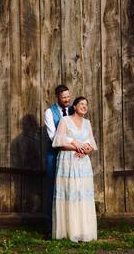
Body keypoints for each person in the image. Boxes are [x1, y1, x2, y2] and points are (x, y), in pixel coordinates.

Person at [52, 96, 97, 242]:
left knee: (82, 194)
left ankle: (84, 231)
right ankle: (69, 231)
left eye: (86, 105)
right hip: (68, 161)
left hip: (83, 163)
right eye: (81, 104)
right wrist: (75, 146)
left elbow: (91, 143)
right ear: (75, 106)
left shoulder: (87, 123)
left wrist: (85, 150)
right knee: (70, 193)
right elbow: (59, 141)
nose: (84, 107)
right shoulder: (65, 121)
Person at [43, 84, 73, 233]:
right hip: (54, 154)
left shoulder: (74, 110)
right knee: (52, 189)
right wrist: (72, 144)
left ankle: (69, 226)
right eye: (64, 98)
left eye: (68, 96)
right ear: (57, 97)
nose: (67, 100)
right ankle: (50, 228)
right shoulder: (50, 112)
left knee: (70, 188)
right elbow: (53, 137)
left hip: (71, 155)